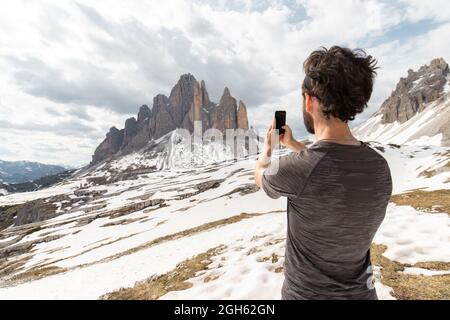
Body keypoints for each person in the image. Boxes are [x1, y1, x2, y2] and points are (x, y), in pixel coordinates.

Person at [254, 46, 393, 300]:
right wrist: (296, 146)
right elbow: (329, 164)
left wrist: (268, 149)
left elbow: (262, 175)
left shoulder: (300, 169)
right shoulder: (380, 167)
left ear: (309, 100)